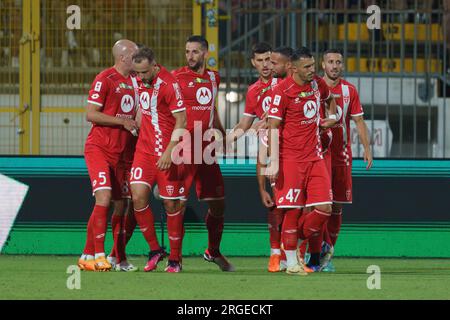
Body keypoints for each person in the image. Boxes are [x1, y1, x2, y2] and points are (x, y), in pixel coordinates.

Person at [266, 47, 337, 275]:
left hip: (315, 157)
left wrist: (331, 119)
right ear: (293, 69)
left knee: (325, 209)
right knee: (293, 211)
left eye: (313, 65)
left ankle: (292, 242)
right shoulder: (281, 91)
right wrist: (274, 162)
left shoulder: (317, 84)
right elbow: (273, 127)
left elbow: (330, 100)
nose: (312, 70)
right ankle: (291, 262)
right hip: (290, 160)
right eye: (307, 67)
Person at [172, 35, 234, 272]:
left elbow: (211, 108)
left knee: (218, 204)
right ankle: (175, 259)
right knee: (179, 201)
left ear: (206, 53)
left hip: (206, 147)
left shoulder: (213, 77)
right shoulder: (176, 77)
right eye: (187, 51)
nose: (190, 56)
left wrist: (222, 134)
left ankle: (213, 251)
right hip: (184, 145)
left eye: (195, 52)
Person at [77, 39, 139, 272]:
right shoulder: (105, 79)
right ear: (123, 57)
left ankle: (114, 257)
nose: (138, 57)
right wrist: (121, 122)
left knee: (122, 206)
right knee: (103, 199)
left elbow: (139, 115)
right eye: (135, 54)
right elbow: (91, 114)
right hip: (99, 149)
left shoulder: (136, 81)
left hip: (124, 154)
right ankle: (99, 254)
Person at [129, 46, 187, 273]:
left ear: (154, 65)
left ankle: (175, 258)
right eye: (137, 73)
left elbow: (181, 121)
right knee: (138, 197)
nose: (141, 77)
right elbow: (144, 109)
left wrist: (169, 151)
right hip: (144, 152)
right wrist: (137, 123)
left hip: (168, 152)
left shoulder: (169, 85)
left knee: (171, 204)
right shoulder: (139, 80)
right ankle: (155, 250)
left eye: (144, 72)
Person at [314, 48, 373, 271]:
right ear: (323, 64)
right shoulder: (313, 87)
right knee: (321, 206)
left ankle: (327, 253)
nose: (335, 66)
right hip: (317, 154)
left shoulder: (349, 90)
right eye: (330, 61)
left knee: (337, 206)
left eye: (338, 62)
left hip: (341, 156)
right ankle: (315, 251)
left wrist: (367, 149)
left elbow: (358, 122)